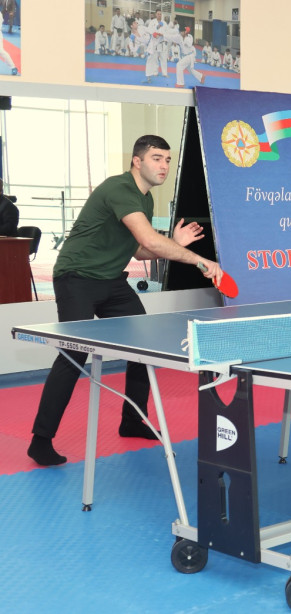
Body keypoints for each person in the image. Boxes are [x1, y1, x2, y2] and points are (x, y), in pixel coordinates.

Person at [27, 135, 223, 467]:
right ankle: (40, 440)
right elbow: (150, 241)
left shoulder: (144, 200)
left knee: (143, 344)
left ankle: (132, 420)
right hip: (76, 278)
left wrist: (173, 243)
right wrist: (201, 261)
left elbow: (140, 250)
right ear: (137, 161)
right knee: (74, 353)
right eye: (157, 158)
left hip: (112, 281)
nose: (164, 166)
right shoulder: (119, 188)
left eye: (167, 160)